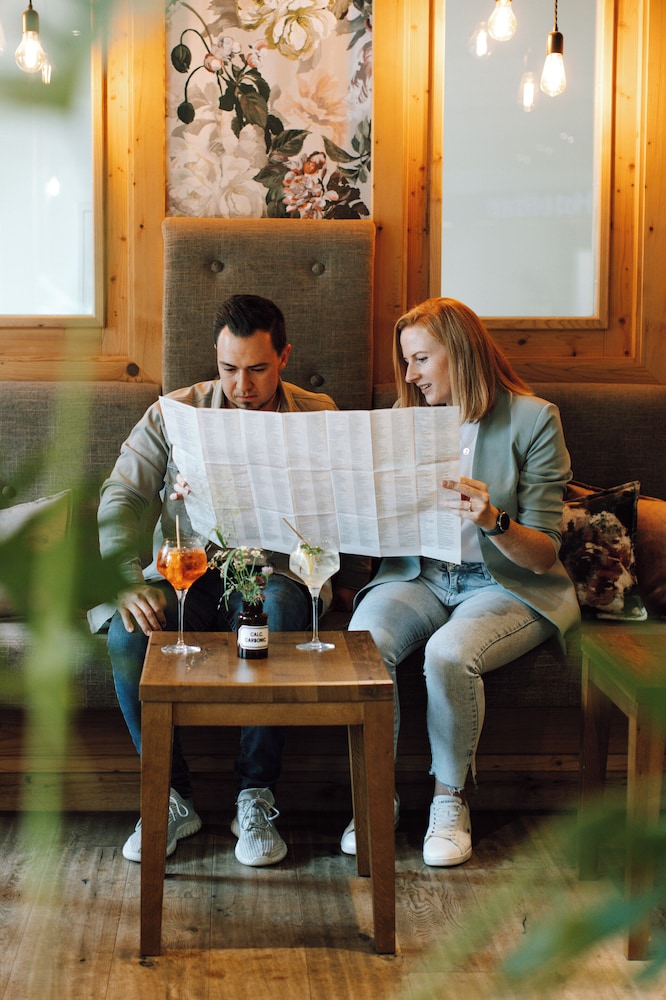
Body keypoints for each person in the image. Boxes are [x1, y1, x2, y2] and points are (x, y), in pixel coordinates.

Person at [89, 294, 367, 868]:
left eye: (258, 369)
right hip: (190, 571)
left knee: (277, 612)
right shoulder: (173, 412)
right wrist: (123, 578)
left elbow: (354, 501)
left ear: (284, 356)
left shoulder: (319, 415)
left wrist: (353, 579)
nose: (242, 386)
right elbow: (121, 495)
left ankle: (255, 794)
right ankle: (170, 796)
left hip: (275, 573)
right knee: (127, 633)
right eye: (229, 369)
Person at [340, 297, 580, 866]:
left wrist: (494, 521)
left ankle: (449, 802)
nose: (409, 375)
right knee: (362, 647)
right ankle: (374, 797)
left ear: (462, 352)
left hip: (504, 584)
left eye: (421, 359)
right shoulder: (406, 421)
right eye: (406, 361)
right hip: (420, 575)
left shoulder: (533, 419)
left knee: (448, 654)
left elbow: (544, 554)